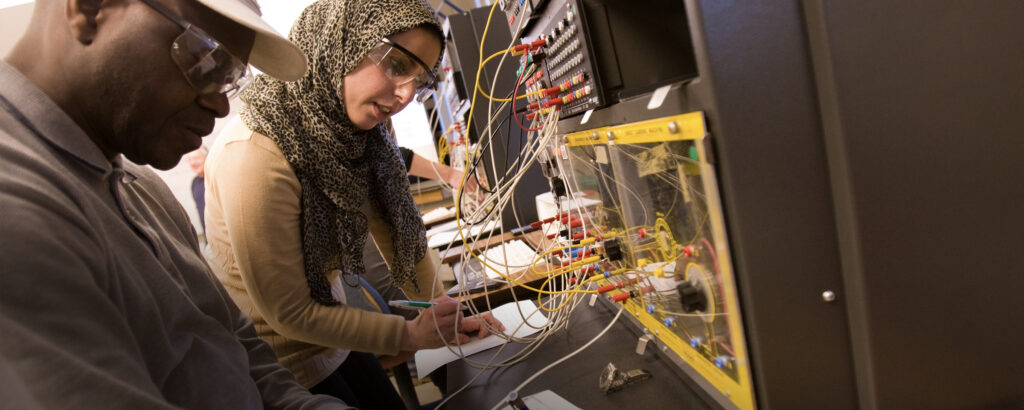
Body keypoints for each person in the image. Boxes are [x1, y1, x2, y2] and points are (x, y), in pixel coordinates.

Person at [0, 0, 351, 408]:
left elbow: (246, 361)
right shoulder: (17, 203)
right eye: (207, 59)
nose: (220, 106)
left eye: (231, 77)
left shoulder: (142, 186)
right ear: (91, 9)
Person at [203, 0, 503, 408]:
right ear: (338, 44)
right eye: (397, 66)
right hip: (286, 369)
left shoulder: (350, 130)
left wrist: (444, 315)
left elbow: (401, 235)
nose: (405, 95)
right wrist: (410, 335)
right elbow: (290, 313)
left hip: (334, 340)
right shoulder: (254, 156)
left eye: (420, 80)